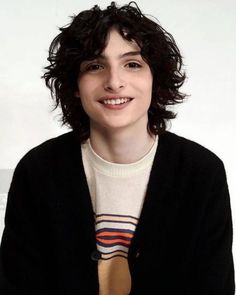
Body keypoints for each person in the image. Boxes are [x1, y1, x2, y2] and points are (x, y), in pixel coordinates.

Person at [0, 2, 234, 294]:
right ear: (75, 84)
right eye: (95, 66)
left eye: (132, 64)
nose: (114, 82)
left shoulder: (201, 173)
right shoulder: (37, 171)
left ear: (155, 78)